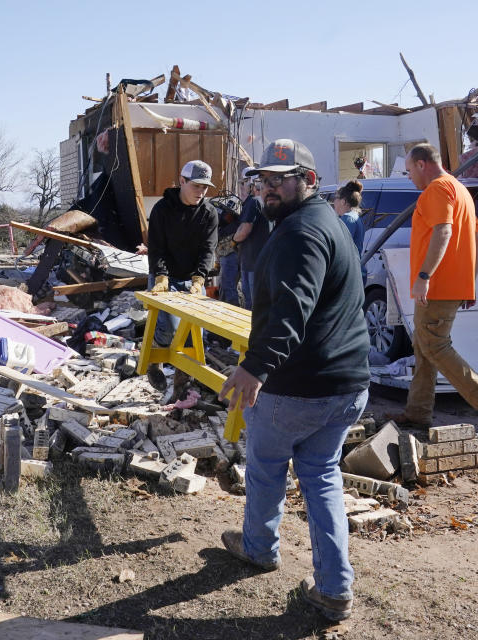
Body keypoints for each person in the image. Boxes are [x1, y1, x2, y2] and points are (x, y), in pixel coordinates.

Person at [218, 139, 370, 622]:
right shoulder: (328, 222)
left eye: (280, 180)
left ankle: (260, 547)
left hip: (299, 385)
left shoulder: (299, 234)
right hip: (346, 384)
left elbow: (290, 313)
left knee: (265, 465)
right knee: (322, 476)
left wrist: (255, 366)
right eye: (263, 180)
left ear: (309, 180)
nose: (268, 189)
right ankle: (334, 587)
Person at [389, 143, 478, 435]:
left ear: (422, 164)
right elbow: (477, 241)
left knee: (435, 346)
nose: (409, 177)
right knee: (424, 348)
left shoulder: (436, 189)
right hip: (449, 286)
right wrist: (468, 283)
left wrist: (424, 275)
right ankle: (417, 412)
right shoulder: (460, 191)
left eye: (409, 170)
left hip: (436, 287)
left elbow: (444, 230)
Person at [146, 160, 219, 389]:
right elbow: (157, 247)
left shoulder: (209, 213)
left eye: (205, 187)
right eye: (196, 186)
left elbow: (209, 249)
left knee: (192, 334)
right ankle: (154, 361)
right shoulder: (162, 209)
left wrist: (199, 278)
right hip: (164, 276)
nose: (201, 192)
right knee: (167, 327)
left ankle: (181, 384)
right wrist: (160, 276)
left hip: (192, 278)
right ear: (182, 181)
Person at [232, 169, 270, 309]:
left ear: (251, 185)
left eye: (243, 184)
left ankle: (252, 331)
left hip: (253, 263)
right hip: (258, 262)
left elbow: (244, 230)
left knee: (252, 305)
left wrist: (233, 241)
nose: (242, 187)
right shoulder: (265, 202)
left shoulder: (254, 202)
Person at [333, 180, 365, 255]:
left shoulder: (347, 218)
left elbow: (340, 248)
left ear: (343, 201)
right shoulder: (355, 217)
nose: (333, 201)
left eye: (335, 198)